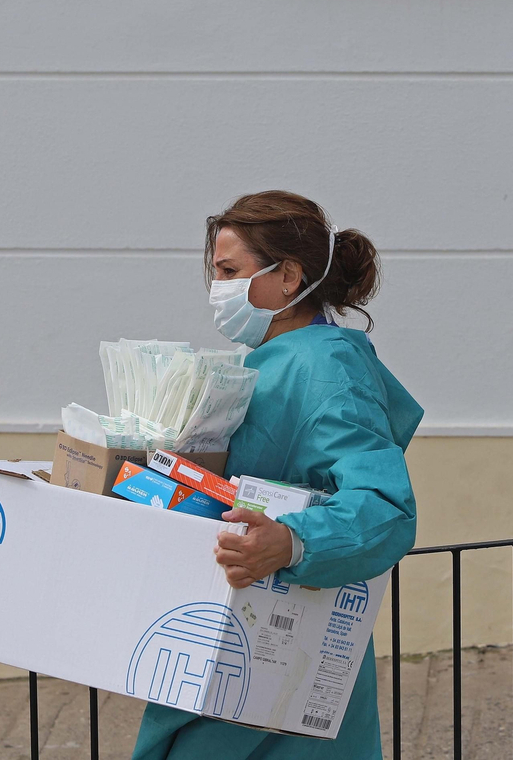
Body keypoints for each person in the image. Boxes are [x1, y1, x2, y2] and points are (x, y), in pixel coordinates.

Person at [132, 190, 422, 760]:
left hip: (281, 653)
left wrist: (291, 542)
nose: (217, 289)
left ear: (288, 276)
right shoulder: (277, 362)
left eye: (229, 271)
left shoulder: (324, 368)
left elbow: (386, 508)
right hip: (243, 645)